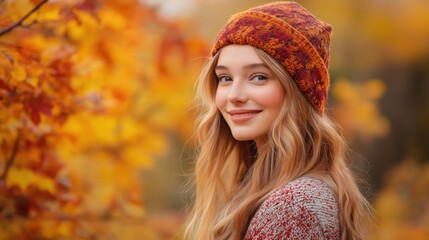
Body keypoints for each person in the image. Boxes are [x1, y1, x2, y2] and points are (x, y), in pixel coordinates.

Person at [184, 1, 372, 240]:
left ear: (299, 92)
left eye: (259, 77)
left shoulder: (294, 206)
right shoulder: (271, 191)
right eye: (225, 78)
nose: (234, 96)